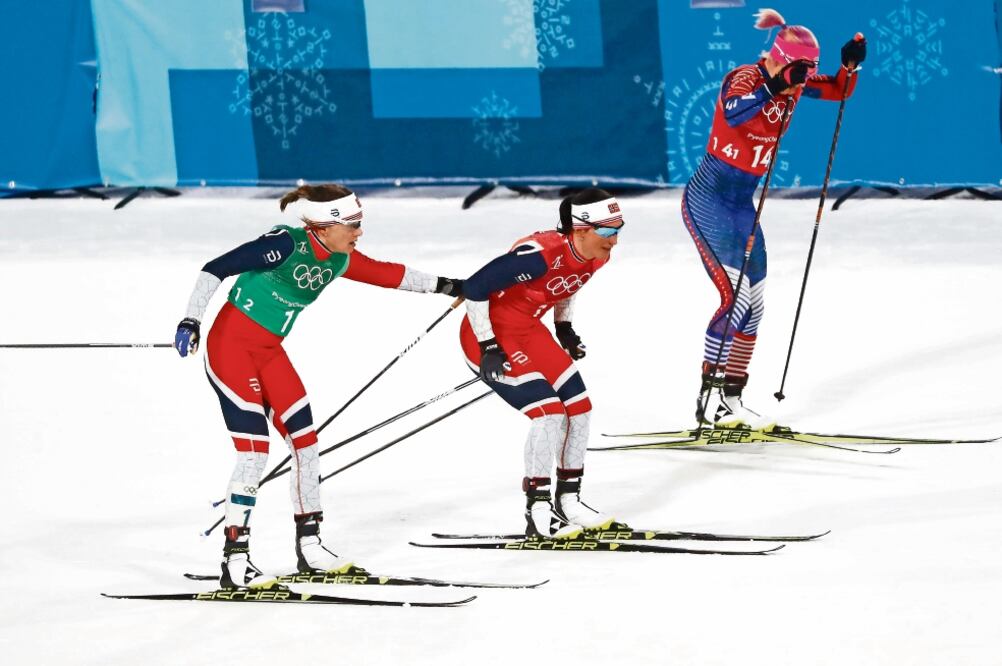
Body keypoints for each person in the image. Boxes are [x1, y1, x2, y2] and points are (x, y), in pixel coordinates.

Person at [174, 184, 463, 589]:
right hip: (230, 351)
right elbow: (215, 268)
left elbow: (389, 274)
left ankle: (311, 548)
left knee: (307, 447)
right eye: (353, 225)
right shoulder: (283, 246)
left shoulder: (338, 259)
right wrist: (191, 320)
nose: (359, 232)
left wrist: (454, 285)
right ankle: (235, 561)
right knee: (254, 455)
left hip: (269, 353)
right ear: (325, 226)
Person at [681, 8, 866, 429]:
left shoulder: (794, 83)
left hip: (742, 205)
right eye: (799, 71)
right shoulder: (745, 77)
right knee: (736, 299)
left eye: (808, 72)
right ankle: (708, 399)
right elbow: (734, 112)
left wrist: (849, 65)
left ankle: (731, 398)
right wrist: (776, 85)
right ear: (779, 60)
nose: (803, 80)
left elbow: (839, 91)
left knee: (755, 305)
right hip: (708, 199)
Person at [459, 188, 624, 539]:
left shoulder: (597, 255)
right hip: (487, 334)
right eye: (607, 231)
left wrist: (564, 328)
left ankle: (569, 502)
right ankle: (537, 510)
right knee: (549, 414)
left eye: (618, 229)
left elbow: (570, 283)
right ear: (581, 230)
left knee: (579, 409)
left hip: (529, 330)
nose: (614, 240)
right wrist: (489, 346)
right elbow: (474, 288)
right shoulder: (537, 257)